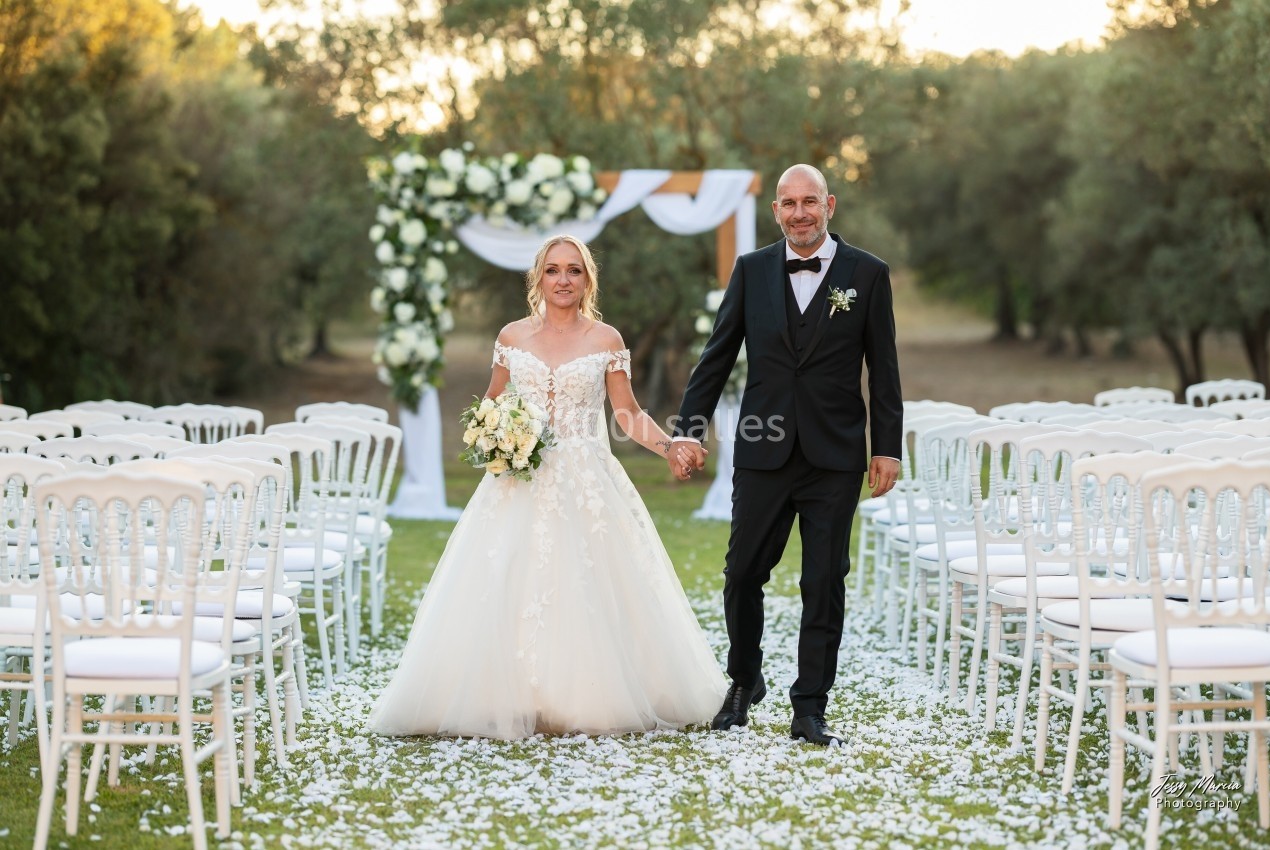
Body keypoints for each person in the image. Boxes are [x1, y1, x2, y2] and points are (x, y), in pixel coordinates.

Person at [369, 234, 725, 740]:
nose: (563, 280)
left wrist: (670, 446)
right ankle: (502, 698)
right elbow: (490, 405)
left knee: (590, 585)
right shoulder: (512, 338)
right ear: (538, 276)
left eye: (574, 271)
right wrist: (496, 438)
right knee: (505, 583)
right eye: (554, 270)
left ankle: (587, 697)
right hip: (519, 479)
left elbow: (627, 413)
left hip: (587, 482)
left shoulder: (606, 341)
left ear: (587, 280)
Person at [669, 164, 904, 746]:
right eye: (788, 204)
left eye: (810, 202)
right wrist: (688, 431)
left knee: (823, 581)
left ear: (829, 205)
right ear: (775, 211)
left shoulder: (867, 275)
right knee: (742, 572)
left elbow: (885, 369)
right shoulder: (751, 271)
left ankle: (810, 706)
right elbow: (717, 355)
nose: (800, 213)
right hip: (762, 448)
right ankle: (745, 682)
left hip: (835, 455)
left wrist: (889, 448)